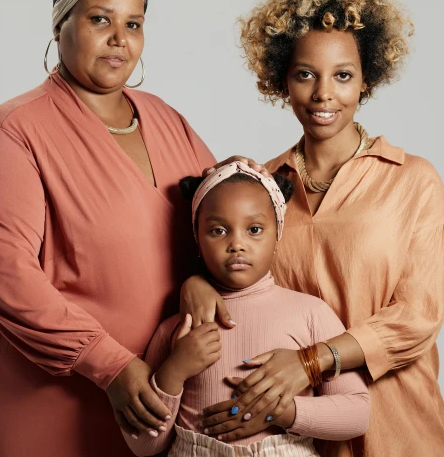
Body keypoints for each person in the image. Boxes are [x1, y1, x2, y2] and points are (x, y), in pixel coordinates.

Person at [0, 0, 237, 457]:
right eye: (99, 19)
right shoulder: (10, 135)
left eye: (133, 24)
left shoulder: (167, 121)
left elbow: (222, 219)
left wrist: (199, 279)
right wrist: (109, 364)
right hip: (43, 390)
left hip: (151, 394)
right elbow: (4, 274)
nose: (118, 40)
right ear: (61, 23)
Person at [181, 0, 444, 456]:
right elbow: (234, 267)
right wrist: (196, 284)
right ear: (282, 80)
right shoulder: (259, 188)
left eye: (343, 75)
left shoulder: (413, 181)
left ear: (367, 78)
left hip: (396, 424)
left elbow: (417, 318)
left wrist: (311, 362)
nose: (323, 94)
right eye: (306, 74)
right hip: (289, 434)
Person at [123, 161, 370, 457]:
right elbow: (144, 445)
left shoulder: (311, 313)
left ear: (277, 233)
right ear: (197, 239)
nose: (236, 244)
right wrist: (174, 371)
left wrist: (285, 411)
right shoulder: (176, 327)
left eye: (254, 229)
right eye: (218, 231)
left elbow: (358, 414)